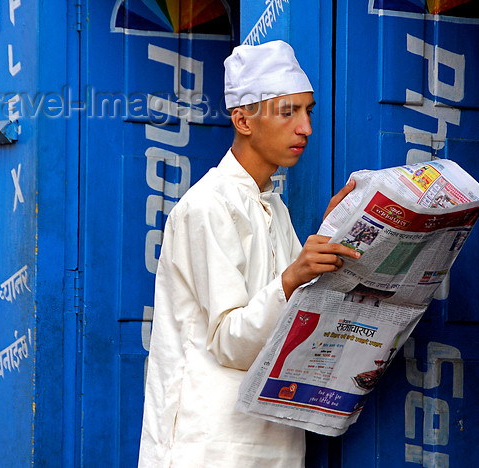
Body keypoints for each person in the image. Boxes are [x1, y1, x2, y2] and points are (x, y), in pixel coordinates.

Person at [138, 40, 359, 468]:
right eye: (287, 111)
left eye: (308, 111)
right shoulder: (206, 206)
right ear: (242, 119)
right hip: (210, 445)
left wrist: (334, 233)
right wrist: (293, 276)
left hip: (274, 439)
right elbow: (231, 342)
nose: (305, 128)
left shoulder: (272, 206)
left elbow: (296, 309)